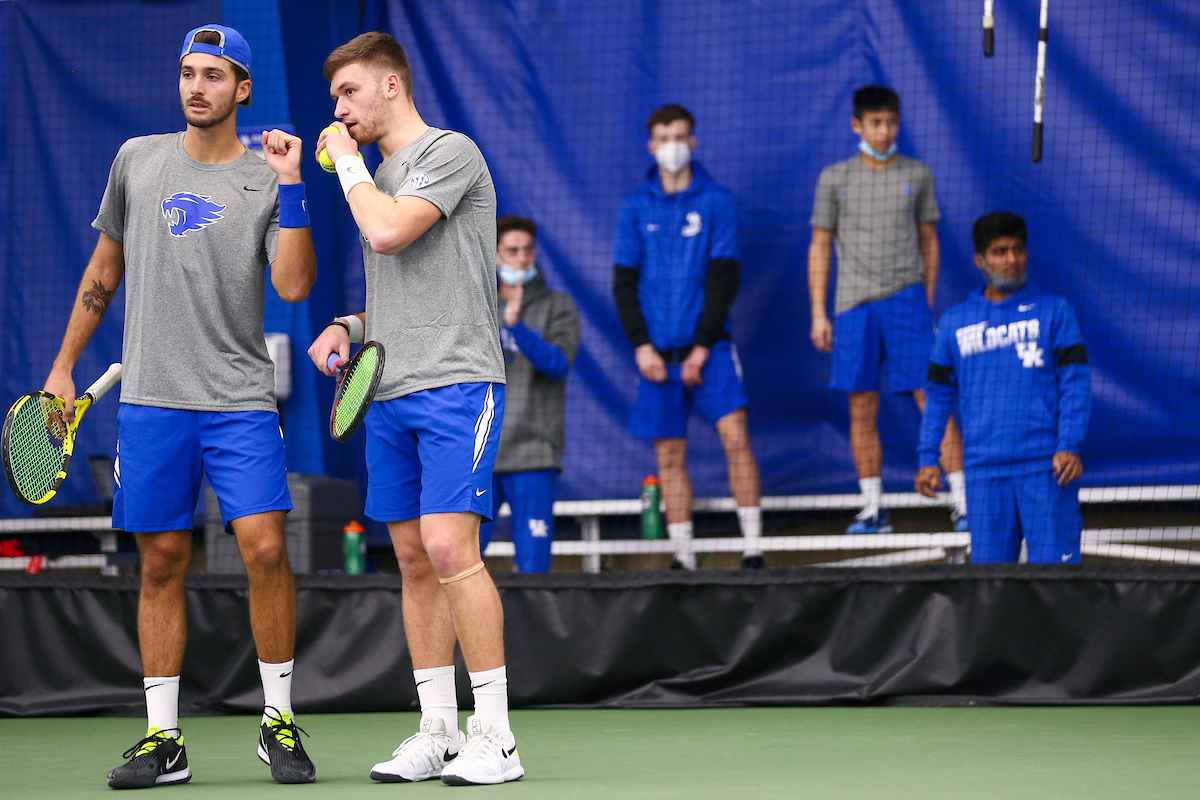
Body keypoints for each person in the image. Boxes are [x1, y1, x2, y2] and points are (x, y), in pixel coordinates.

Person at [43, 25, 318, 788]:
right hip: (154, 401)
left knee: (264, 546)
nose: (196, 87)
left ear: (243, 89)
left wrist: (293, 186)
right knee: (161, 563)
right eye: (187, 74)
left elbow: (294, 287)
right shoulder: (137, 160)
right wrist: (63, 367)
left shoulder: (268, 178)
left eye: (213, 75)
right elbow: (103, 270)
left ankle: (279, 722)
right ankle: (163, 741)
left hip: (238, 399)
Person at [306, 32, 521, 785]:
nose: (338, 110)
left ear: (391, 86)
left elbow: (389, 231)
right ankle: (436, 731)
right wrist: (351, 326)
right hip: (392, 390)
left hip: (460, 382)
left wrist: (348, 163)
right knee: (411, 559)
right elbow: (400, 286)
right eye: (335, 97)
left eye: (350, 93)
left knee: (450, 546)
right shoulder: (379, 175)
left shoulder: (450, 152)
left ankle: (495, 735)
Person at [808, 85, 966, 534]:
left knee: (930, 395)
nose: (884, 131)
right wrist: (819, 312)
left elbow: (929, 242)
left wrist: (925, 301)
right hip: (853, 308)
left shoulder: (918, 174)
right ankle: (873, 510)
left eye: (891, 122)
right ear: (856, 125)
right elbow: (819, 245)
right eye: (875, 123)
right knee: (861, 407)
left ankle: (965, 502)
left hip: (907, 302)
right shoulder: (833, 178)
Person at [613, 104, 764, 571]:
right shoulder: (635, 207)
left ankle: (754, 550)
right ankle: (683, 557)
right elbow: (623, 282)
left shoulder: (716, 201)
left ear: (693, 142)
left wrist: (702, 346)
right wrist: (641, 345)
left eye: (680, 136)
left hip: (711, 349)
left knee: (735, 437)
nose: (672, 146)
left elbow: (724, 278)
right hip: (657, 355)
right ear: (651, 145)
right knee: (669, 452)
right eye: (663, 137)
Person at [916, 212, 1090, 563]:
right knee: (991, 587)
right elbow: (937, 395)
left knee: (1058, 582)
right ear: (979, 260)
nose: (1011, 260)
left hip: (1047, 469)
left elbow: (1076, 383)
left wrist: (1069, 444)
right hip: (983, 473)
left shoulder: (1055, 311)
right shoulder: (954, 322)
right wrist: (927, 457)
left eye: (1018, 250)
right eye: (1000, 252)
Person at [478, 215, 582, 573]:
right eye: (511, 251)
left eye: (528, 250)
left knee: (534, 566)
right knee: (463, 564)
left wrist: (517, 325)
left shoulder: (558, 306)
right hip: (480, 455)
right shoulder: (476, 305)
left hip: (535, 453)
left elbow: (558, 364)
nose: (522, 258)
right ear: (493, 255)